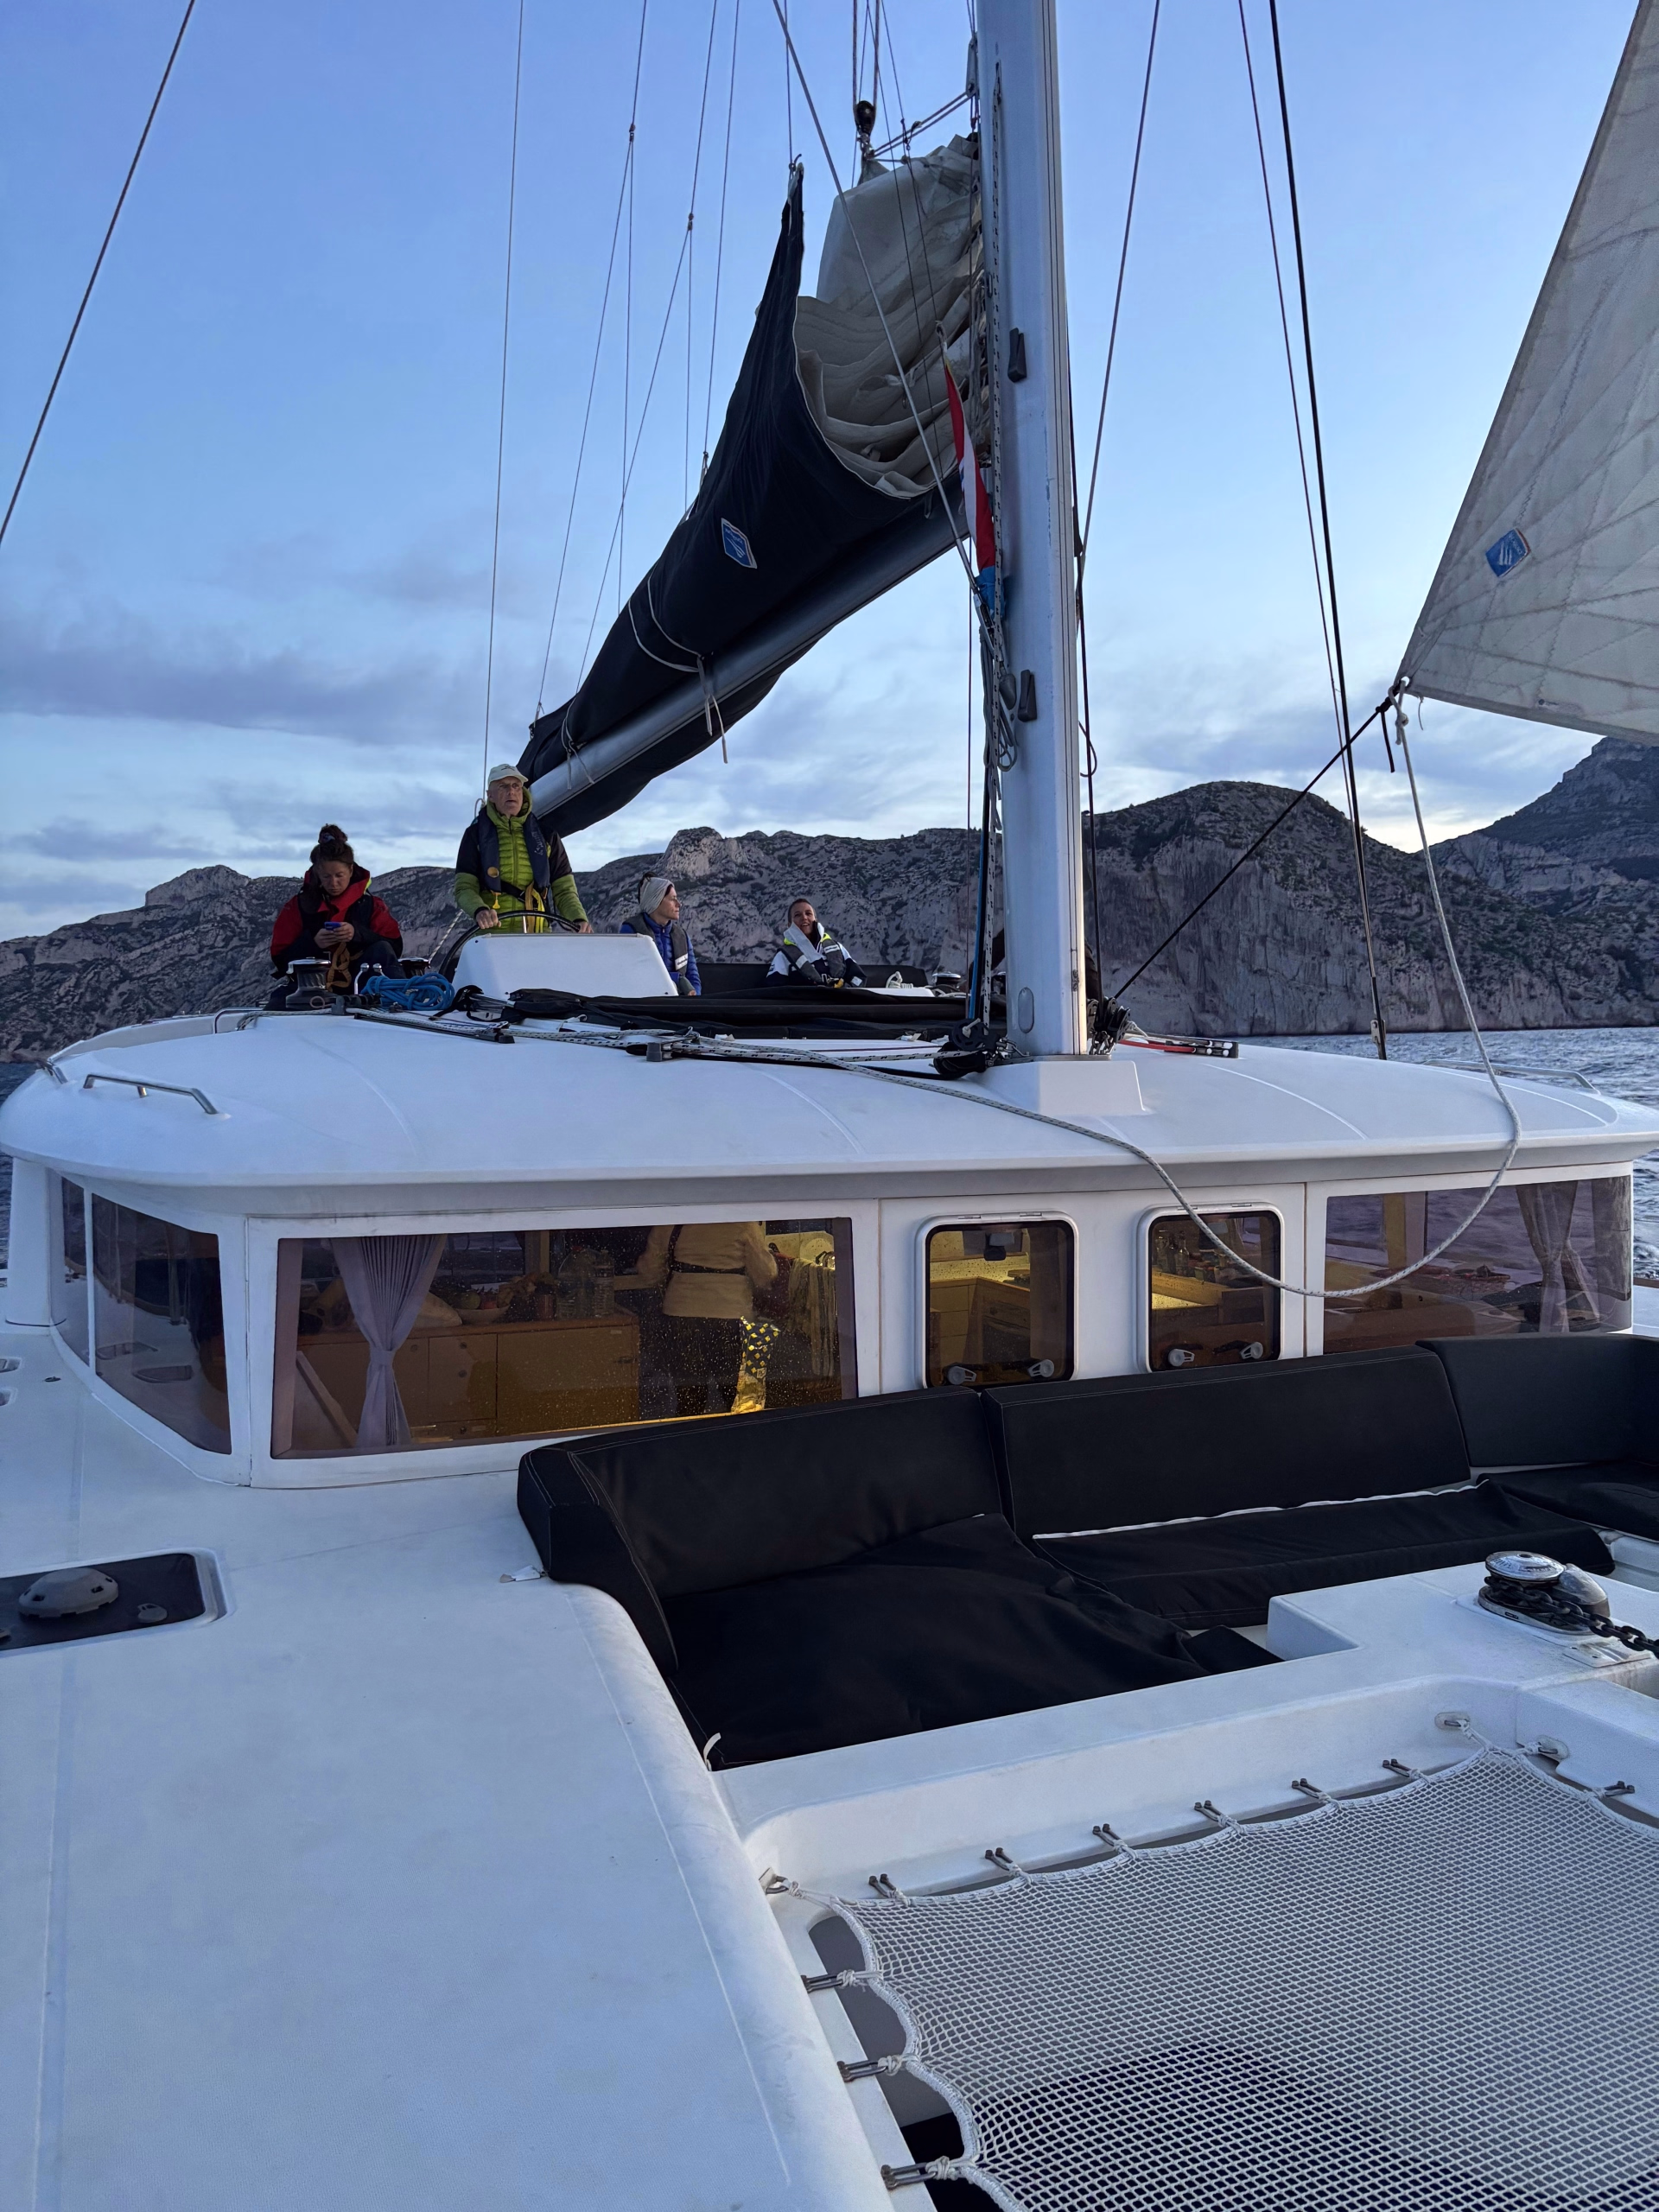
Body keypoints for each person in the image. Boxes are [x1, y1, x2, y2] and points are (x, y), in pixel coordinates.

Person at [620, 1221, 776, 1415]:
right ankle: (737, 1433)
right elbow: (766, 1272)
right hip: (730, 1316)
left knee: (689, 1399)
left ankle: (690, 1433)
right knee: (737, 1398)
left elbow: (649, 1271)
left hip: (682, 1314)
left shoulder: (673, 1221)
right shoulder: (741, 1221)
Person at [454, 765, 591, 936]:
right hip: (491, 937)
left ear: (523, 792)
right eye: (503, 786)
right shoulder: (474, 835)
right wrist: (479, 910)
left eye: (516, 786)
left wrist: (578, 918)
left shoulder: (547, 836)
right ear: (490, 795)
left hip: (537, 936)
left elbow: (564, 889)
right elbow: (464, 887)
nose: (511, 791)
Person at [270, 825, 404, 992]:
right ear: (317, 873)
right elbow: (280, 959)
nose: (333, 883)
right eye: (326, 876)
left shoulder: (371, 906)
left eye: (339, 875)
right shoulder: (298, 906)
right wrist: (312, 943)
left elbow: (394, 948)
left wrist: (357, 934)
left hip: (365, 989)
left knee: (381, 948)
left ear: (351, 870)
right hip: (311, 990)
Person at [620, 874, 700, 995]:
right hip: (645, 1002)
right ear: (656, 901)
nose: (679, 904)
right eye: (672, 899)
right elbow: (631, 974)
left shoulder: (682, 936)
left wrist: (694, 1000)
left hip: (679, 1004)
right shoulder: (632, 930)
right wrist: (677, 980)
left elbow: (693, 976)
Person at [766, 897, 866, 988]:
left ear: (816, 920)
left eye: (808, 913)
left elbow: (859, 978)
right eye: (797, 915)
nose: (804, 917)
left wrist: (845, 991)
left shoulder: (837, 948)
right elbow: (775, 989)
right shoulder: (783, 956)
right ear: (789, 925)